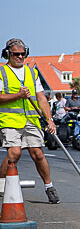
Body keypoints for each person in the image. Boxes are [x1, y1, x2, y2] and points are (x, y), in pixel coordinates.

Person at [0, 38, 59, 203]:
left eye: (22, 54)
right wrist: (17, 95)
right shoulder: (1, 72)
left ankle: (49, 187)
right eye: (15, 54)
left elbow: (41, 98)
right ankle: (2, 183)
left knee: (38, 153)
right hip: (10, 120)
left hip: (31, 120)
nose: (19, 57)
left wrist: (49, 119)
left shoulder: (32, 73)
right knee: (15, 153)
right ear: (7, 55)